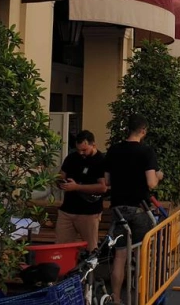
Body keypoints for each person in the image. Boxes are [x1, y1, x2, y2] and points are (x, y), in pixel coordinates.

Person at [104, 115, 163, 303]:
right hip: (139, 208)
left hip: (118, 208)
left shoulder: (114, 150)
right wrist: (159, 176)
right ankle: (141, 297)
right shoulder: (146, 152)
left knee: (120, 255)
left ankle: (116, 297)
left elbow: (107, 181)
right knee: (141, 254)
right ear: (143, 131)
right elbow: (151, 183)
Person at [55, 130, 107, 252]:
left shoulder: (100, 160)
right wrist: (60, 182)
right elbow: (61, 175)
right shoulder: (72, 158)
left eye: (84, 150)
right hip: (67, 210)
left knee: (91, 248)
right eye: (78, 150)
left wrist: (77, 187)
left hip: (89, 211)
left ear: (93, 145)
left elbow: (102, 187)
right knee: (61, 247)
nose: (81, 153)